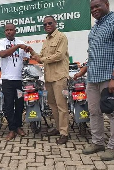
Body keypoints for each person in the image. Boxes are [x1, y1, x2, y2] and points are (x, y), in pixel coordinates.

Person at [74, 0, 114, 161]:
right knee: (94, 111)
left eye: (97, 6)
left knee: (113, 112)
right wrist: (82, 71)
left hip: (110, 77)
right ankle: (97, 142)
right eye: (91, 8)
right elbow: (93, 54)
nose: (94, 10)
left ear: (106, 4)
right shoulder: (96, 28)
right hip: (93, 78)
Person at [27, 16, 70, 145]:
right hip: (49, 77)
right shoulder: (46, 40)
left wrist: (42, 60)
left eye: (50, 23)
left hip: (59, 77)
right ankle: (57, 128)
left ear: (55, 23)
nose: (47, 26)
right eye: (45, 24)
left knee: (62, 106)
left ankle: (64, 133)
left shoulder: (61, 37)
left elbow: (59, 55)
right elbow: (41, 57)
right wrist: (32, 51)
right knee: (52, 104)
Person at [0, 23, 29, 141]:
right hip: (7, 81)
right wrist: (18, 46)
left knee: (19, 105)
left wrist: (27, 53)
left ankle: (18, 126)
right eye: (6, 30)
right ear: (5, 32)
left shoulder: (21, 42)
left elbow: (27, 56)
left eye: (11, 30)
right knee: (9, 105)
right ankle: (11, 129)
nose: (9, 32)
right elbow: (3, 54)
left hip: (18, 80)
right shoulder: (0, 43)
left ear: (15, 31)